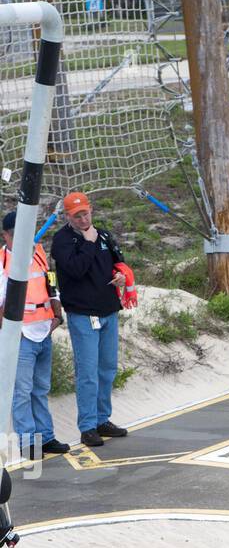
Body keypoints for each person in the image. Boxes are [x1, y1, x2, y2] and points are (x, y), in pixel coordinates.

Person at [50, 190, 136, 449]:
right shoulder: (62, 241)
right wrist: (88, 242)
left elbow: (118, 262)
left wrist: (121, 276)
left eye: (85, 213)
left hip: (108, 310)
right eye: (76, 216)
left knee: (107, 369)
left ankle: (102, 419)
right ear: (67, 216)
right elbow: (75, 270)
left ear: (91, 210)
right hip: (83, 315)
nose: (82, 219)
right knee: (87, 372)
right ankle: (87, 426)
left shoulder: (104, 235)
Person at [0, 210, 69, 460]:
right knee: (22, 391)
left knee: (40, 388)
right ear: (5, 236)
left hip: (44, 330)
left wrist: (57, 313)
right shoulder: (2, 261)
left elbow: (50, 283)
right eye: (16, 235)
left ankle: (46, 437)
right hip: (21, 336)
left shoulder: (38, 252)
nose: (22, 240)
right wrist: (8, 335)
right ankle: (28, 442)